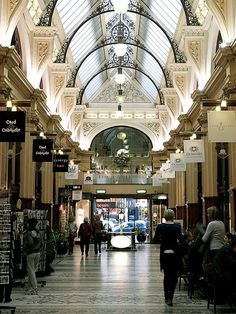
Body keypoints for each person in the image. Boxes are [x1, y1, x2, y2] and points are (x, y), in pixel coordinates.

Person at [154, 209, 184, 306]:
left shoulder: (160, 226)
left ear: (164, 216)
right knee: (174, 276)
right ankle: (171, 296)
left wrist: (163, 240)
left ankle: (166, 297)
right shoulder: (177, 226)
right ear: (173, 216)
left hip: (164, 253)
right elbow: (181, 239)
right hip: (174, 254)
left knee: (166, 276)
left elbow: (155, 239)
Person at [24, 218, 42, 295]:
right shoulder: (38, 233)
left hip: (31, 253)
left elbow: (30, 243)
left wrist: (25, 244)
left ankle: (35, 288)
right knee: (33, 271)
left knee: (31, 271)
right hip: (38, 253)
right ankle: (29, 288)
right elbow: (41, 243)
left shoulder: (29, 233)